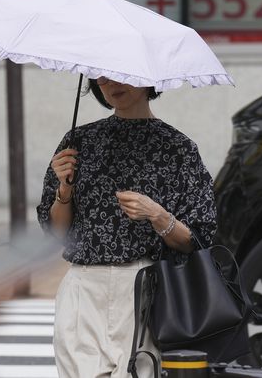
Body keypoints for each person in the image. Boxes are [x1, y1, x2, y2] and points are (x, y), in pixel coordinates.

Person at [36, 77, 217, 378]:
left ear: (147, 79)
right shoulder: (78, 142)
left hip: (143, 289)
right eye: (101, 76)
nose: (110, 83)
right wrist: (64, 192)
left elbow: (196, 239)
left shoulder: (178, 149)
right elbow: (56, 234)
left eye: (122, 74)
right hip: (82, 288)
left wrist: (157, 215)